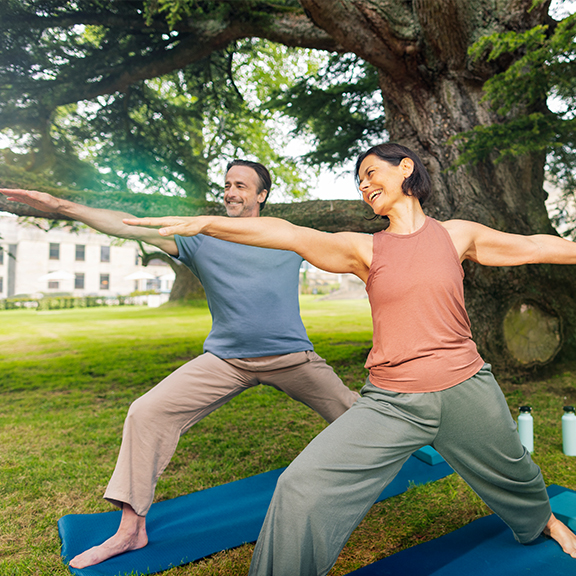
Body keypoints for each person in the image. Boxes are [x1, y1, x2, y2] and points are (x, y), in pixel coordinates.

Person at [125, 143, 576, 575]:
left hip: (466, 387)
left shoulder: (457, 234)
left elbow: (535, 246)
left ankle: (544, 521)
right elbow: (288, 233)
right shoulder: (366, 248)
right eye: (359, 182)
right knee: (301, 487)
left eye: (370, 173)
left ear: (405, 168)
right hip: (392, 401)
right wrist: (206, 225)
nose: (364, 186)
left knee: (514, 471)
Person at [0, 159, 359, 569]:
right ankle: (131, 530)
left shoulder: (285, 237)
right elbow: (127, 224)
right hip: (226, 360)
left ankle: (407, 447)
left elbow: (353, 252)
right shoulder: (200, 238)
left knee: (357, 413)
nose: (230, 191)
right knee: (146, 412)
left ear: (261, 195)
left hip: (292, 358)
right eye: (227, 184)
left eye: (241, 185)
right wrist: (60, 205)